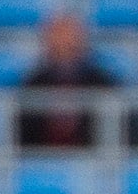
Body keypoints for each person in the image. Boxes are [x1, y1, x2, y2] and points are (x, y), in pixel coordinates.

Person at [16, 10, 115, 150]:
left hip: (90, 156)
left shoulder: (103, 82)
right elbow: (23, 137)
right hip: (44, 157)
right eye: (58, 40)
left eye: (69, 42)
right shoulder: (33, 83)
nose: (63, 45)